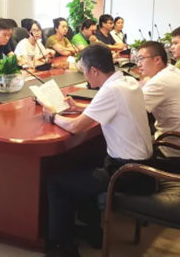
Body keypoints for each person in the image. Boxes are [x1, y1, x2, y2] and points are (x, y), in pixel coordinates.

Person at [39, 44, 155, 257]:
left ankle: (63, 248)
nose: (84, 75)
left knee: (56, 184)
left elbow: (75, 127)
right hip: (143, 168)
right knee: (86, 163)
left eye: (84, 70)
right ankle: (92, 231)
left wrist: (53, 116)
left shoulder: (110, 90)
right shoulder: (127, 81)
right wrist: (78, 108)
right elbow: (112, 108)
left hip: (126, 173)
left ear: (94, 70)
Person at [137, 41, 180, 162]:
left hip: (175, 151)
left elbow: (131, 111)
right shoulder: (172, 70)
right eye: (137, 59)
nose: (138, 64)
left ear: (157, 59)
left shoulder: (159, 82)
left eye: (141, 59)